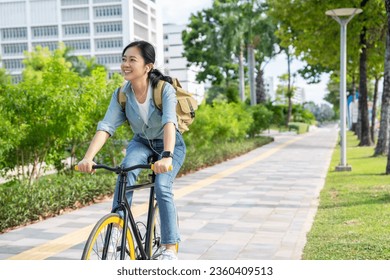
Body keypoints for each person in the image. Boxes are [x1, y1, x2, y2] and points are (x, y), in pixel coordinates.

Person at [77, 40, 186, 260]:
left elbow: (169, 123)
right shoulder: (122, 94)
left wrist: (166, 156)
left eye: (132, 60)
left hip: (169, 143)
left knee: (163, 187)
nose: (125, 64)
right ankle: (116, 228)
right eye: (124, 59)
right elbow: (106, 127)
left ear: (147, 66)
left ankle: (169, 248)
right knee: (126, 170)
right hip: (142, 142)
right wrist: (88, 157)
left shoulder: (163, 89)